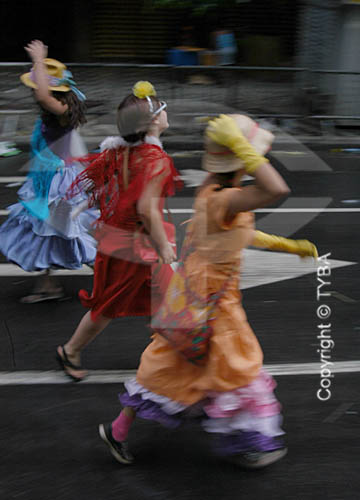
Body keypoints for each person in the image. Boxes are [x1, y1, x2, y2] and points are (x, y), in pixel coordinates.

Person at [98, 114, 318, 469]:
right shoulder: (227, 199)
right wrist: (242, 145)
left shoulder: (213, 193)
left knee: (172, 364)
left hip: (195, 297)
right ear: (242, 158)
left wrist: (287, 245)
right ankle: (249, 440)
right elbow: (277, 189)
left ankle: (119, 430)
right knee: (239, 367)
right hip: (215, 302)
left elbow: (238, 235)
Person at [56, 81, 182, 382]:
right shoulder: (156, 160)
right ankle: (70, 350)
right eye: (163, 109)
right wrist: (164, 246)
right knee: (109, 306)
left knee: (172, 298)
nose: (166, 113)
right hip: (137, 247)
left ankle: (177, 356)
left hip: (120, 239)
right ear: (153, 122)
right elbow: (147, 209)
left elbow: (106, 186)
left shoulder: (121, 151)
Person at [0, 40, 97, 303]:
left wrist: (39, 59)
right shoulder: (49, 113)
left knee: (67, 231)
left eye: (36, 86)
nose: (34, 92)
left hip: (59, 184)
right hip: (45, 181)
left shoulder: (62, 112)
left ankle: (107, 278)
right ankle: (48, 285)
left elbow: (44, 95)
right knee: (42, 231)